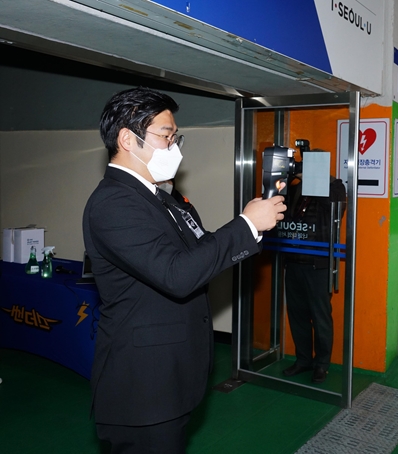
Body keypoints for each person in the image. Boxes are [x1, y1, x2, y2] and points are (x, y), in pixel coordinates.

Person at [82, 87, 286, 453]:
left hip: (169, 379)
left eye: (176, 137)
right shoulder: (113, 202)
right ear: (128, 139)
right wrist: (245, 225)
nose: (174, 147)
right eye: (165, 136)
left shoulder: (160, 196)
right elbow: (177, 276)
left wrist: (251, 225)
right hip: (142, 389)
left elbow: (199, 249)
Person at [277, 166, 346, 383]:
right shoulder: (297, 189)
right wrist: (286, 179)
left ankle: (322, 364)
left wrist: (315, 179)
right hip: (295, 261)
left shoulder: (335, 187)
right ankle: (303, 360)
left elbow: (333, 208)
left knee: (320, 316)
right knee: (297, 315)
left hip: (319, 265)